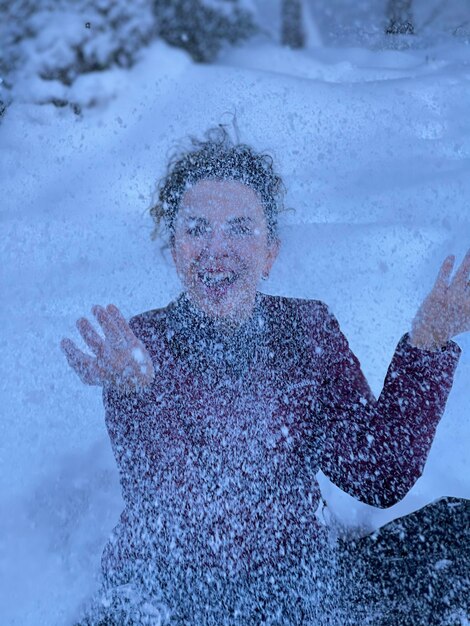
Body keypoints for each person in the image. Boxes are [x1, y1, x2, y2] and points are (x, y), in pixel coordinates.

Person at [61, 127, 469, 625]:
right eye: (196, 229)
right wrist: (134, 395)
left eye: (239, 228)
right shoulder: (139, 347)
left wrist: (427, 345)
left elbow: (378, 474)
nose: (217, 248)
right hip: (168, 599)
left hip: (298, 589)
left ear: (270, 252)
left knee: (458, 531)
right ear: (174, 251)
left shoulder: (307, 331)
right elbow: (171, 506)